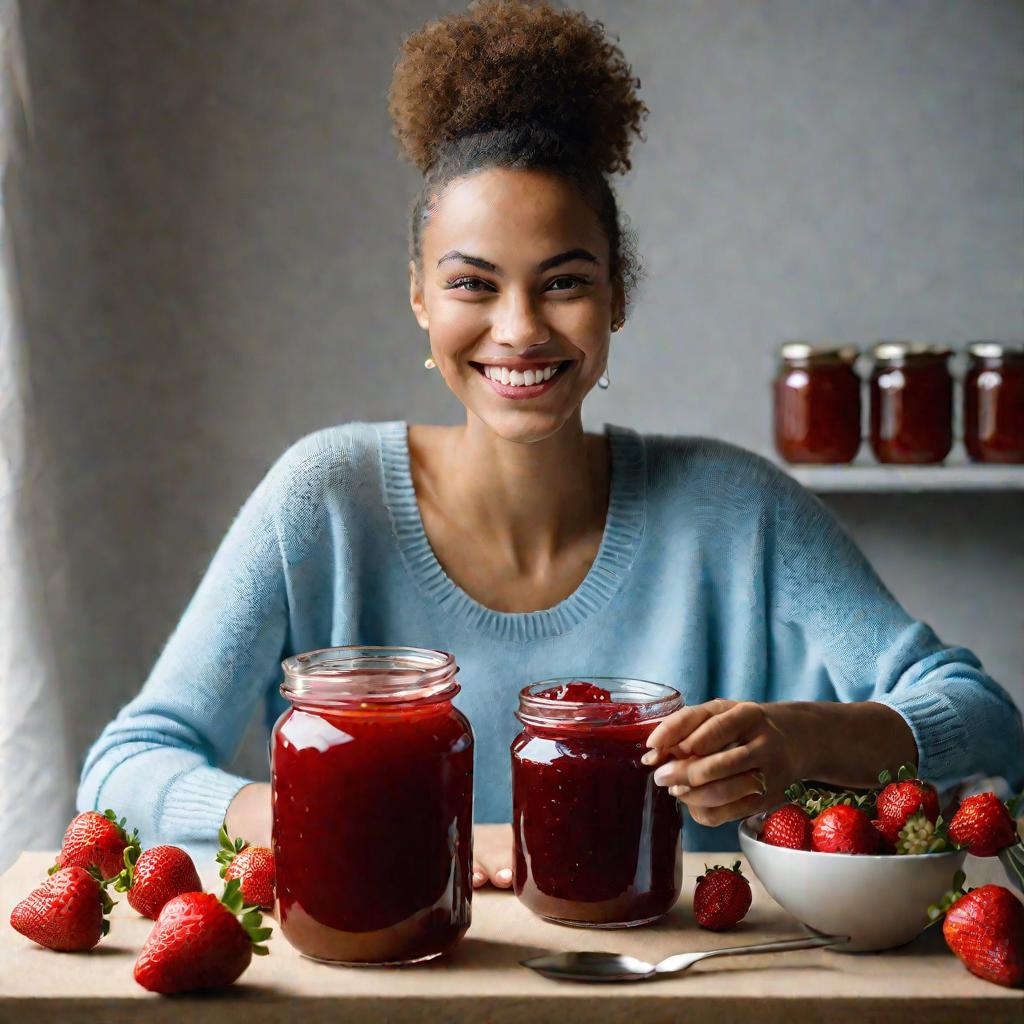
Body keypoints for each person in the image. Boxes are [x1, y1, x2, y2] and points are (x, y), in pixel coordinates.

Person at [78, 0, 1023, 886]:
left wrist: (801, 738)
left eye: (564, 281)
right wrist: (337, 814)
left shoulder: (737, 510)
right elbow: (123, 771)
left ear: (618, 297)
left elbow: (989, 725)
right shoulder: (322, 499)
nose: (520, 328)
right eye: (473, 284)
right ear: (419, 296)